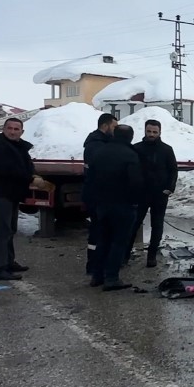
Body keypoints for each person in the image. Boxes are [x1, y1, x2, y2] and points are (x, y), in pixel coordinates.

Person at [0, 118, 42, 281]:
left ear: (21, 132)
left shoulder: (18, 146)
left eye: (16, 129)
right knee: (2, 232)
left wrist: (34, 173)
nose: (13, 131)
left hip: (12, 194)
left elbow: (26, 165)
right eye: (9, 128)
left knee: (10, 230)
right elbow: (9, 169)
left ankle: (8, 262)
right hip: (0, 194)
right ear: (3, 129)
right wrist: (31, 179)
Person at [88, 124, 143, 291]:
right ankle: (111, 277)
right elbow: (135, 182)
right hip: (123, 205)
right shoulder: (131, 155)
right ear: (130, 138)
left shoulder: (100, 152)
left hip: (102, 204)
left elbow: (90, 177)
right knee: (119, 242)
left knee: (103, 240)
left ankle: (97, 276)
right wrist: (135, 201)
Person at [129, 118, 178, 268]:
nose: (151, 134)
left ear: (160, 132)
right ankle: (125, 254)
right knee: (134, 224)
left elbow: (173, 170)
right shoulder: (136, 148)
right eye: (149, 131)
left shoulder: (166, 149)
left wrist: (169, 188)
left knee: (157, 226)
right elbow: (131, 170)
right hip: (141, 194)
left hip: (159, 194)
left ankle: (151, 256)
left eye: (154, 132)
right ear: (144, 131)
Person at [82, 113, 117, 276]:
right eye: (114, 127)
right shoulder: (96, 145)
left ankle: (99, 263)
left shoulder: (101, 142)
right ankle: (94, 265)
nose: (115, 130)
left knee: (102, 231)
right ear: (105, 126)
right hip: (96, 195)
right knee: (97, 231)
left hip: (100, 194)